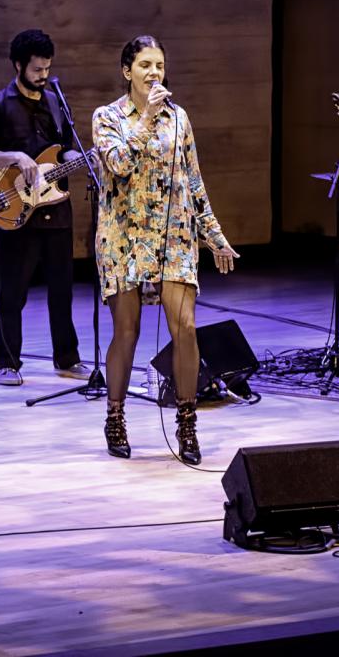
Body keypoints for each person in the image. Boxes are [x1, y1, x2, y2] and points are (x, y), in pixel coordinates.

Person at [92, 35, 237, 463]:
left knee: (186, 328)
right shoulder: (108, 117)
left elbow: (193, 180)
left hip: (174, 235)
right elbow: (117, 164)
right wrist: (146, 120)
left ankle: (187, 422)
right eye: (144, 65)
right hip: (123, 235)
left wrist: (215, 235)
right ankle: (115, 416)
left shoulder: (180, 118)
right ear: (126, 71)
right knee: (128, 331)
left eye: (159, 64)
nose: (153, 72)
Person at [0, 29, 89, 386]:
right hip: (18, 212)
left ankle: (67, 358)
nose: (42, 76)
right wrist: (16, 156)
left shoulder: (55, 101)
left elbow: (63, 147)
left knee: (62, 290)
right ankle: (6, 362)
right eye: (37, 69)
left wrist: (81, 159)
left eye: (47, 69)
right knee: (14, 292)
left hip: (56, 207)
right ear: (18, 65)